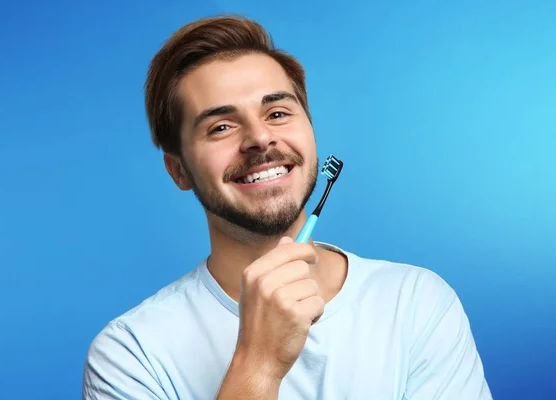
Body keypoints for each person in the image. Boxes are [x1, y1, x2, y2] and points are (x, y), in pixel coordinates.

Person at [82, 15, 492, 400]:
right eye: (221, 126)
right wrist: (258, 365)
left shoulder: (417, 304)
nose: (260, 138)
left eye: (277, 112)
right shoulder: (130, 354)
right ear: (178, 171)